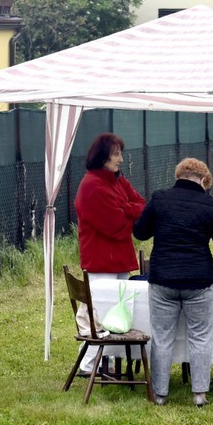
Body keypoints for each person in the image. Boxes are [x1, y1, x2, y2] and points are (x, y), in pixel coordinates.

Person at [133, 158, 213, 407]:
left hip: (163, 279)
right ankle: (200, 394)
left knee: (161, 338)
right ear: (204, 180)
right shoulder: (211, 205)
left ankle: (159, 394)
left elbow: (140, 232)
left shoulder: (160, 198)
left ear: (178, 176)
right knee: (200, 337)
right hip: (198, 281)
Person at [74, 132, 145, 376]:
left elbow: (142, 205)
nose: (121, 160)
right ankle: (89, 364)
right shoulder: (92, 186)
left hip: (118, 259)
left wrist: (126, 208)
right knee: (100, 314)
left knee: (116, 313)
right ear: (103, 157)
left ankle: (106, 362)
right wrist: (128, 212)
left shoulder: (116, 180)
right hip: (101, 261)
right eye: (116, 154)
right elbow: (116, 227)